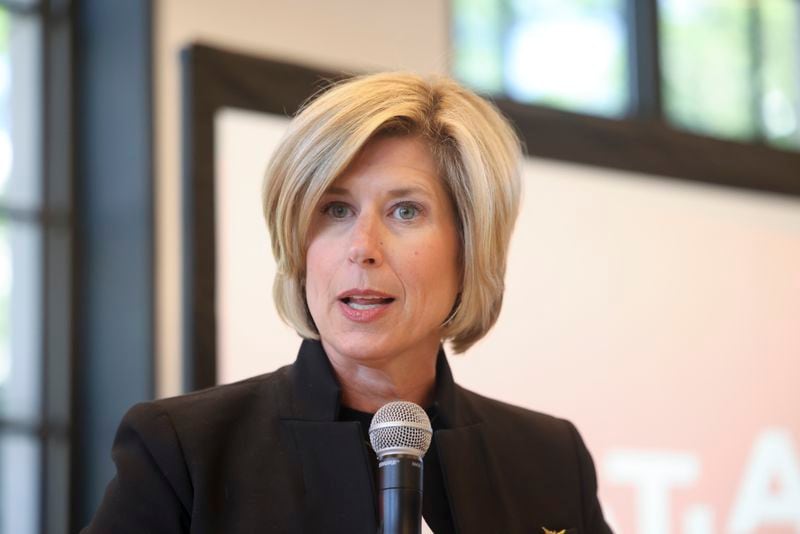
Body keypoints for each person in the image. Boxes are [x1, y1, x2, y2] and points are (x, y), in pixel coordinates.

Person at [83, 72, 613, 533]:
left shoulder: (549, 458)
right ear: (297, 243)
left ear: (471, 245)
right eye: (335, 209)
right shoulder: (183, 451)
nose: (363, 248)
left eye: (405, 211)